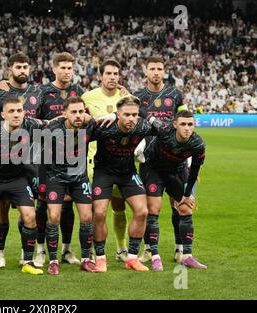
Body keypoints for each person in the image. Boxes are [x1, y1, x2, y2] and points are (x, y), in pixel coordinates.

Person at [0, 97, 46, 277]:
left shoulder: (31, 125)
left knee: (30, 215)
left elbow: (53, 121)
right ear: (3, 115)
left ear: (24, 113)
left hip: (17, 179)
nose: (16, 114)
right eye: (11, 111)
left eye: (19, 111)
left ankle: (28, 262)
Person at [91, 95, 165, 272]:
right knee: (99, 213)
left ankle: (132, 258)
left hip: (127, 173)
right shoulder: (104, 127)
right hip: (103, 173)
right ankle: (100, 258)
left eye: (134, 114)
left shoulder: (142, 126)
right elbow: (80, 131)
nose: (131, 118)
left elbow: (163, 128)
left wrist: (144, 114)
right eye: (126, 115)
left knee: (142, 211)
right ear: (118, 114)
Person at [134, 56, 190, 265]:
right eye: (152, 69)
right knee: (151, 208)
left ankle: (180, 247)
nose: (156, 72)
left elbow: (186, 122)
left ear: (164, 71)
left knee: (179, 205)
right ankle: (149, 249)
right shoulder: (138, 96)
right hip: (150, 160)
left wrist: (190, 153)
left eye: (159, 69)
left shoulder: (175, 94)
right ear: (145, 71)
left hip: (176, 160)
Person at [0, 53, 43, 269]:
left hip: (32, 160)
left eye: (25, 67)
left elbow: (45, 120)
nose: (22, 70)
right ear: (9, 68)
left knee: (28, 207)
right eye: (18, 67)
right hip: (4, 160)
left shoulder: (38, 91)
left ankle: (25, 253)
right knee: (2, 207)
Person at [34, 52, 85, 267]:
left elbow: (86, 117)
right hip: (46, 158)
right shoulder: (43, 92)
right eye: (62, 68)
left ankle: (66, 249)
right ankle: (41, 250)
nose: (66, 72)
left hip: (72, 157)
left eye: (69, 68)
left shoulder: (78, 91)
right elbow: (32, 119)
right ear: (54, 69)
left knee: (68, 205)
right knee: (42, 204)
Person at [139, 110, 207, 270]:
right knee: (153, 210)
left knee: (185, 209)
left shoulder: (197, 143)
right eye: (183, 124)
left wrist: (187, 194)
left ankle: (187, 256)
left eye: (190, 124)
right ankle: (155, 256)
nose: (187, 128)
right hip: (153, 170)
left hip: (176, 172)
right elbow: (145, 115)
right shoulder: (163, 129)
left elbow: (195, 171)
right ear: (175, 124)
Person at [81, 59, 130, 267]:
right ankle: (93, 251)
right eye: (108, 73)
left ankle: (121, 248)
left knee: (119, 207)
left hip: (121, 161)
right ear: (100, 76)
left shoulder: (126, 97)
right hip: (95, 163)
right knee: (97, 210)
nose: (112, 77)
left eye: (115, 73)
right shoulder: (88, 97)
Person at [44, 96, 97, 275]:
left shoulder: (89, 126)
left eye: (81, 112)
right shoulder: (52, 129)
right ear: (64, 113)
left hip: (79, 178)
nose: (78, 116)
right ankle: (52, 261)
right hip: (56, 177)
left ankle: (85, 259)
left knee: (87, 217)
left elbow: (111, 120)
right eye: (73, 112)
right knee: (53, 217)